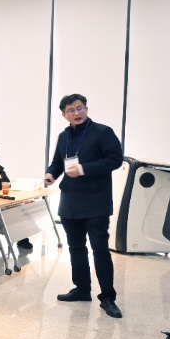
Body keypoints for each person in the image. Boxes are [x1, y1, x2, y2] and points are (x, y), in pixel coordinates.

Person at [45, 93, 124, 318]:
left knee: (100, 250)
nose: (77, 113)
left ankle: (107, 297)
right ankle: (81, 289)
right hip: (70, 200)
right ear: (64, 115)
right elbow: (58, 162)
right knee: (76, 248)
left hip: (96, 201)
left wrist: (83, 169)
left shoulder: (103, 132)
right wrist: (51, 174)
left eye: (80, 108)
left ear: (86, 109)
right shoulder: (63, 136)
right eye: (71, 110)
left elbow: (115, 160)